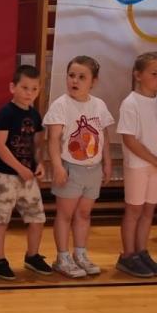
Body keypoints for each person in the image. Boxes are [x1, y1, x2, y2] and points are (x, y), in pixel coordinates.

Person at [45, 55, 115, 279]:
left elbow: (104, 135)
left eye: (81, 77)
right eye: (71, 75)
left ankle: (80, 254)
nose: (74, 80)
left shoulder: (99, 105)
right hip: (70, 168)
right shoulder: (60, 105)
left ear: (93, 81)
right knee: (65, 215)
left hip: (92, 169)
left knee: (84, 214)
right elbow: (53, 139)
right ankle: (62, 257)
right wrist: (57, 166)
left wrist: (107, 162)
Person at [0, 65, 52, 282]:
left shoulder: (35, 114)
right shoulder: (6, 113)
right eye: (24, 87)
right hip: (4, 176)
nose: (29, 93)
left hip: (27, 177)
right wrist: (20, 168)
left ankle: (32, 256)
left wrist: (39, 163)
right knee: (1, 219)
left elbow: (37, 144)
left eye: (34, 89)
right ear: (12, 87)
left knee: (37, 218)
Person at [116, 52, 157, 279]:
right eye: (154, 74)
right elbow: (130, 140)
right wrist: (156, 160)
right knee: (134, 211)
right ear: (138, 75)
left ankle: (141, 252)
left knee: (149, 210)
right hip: (138, 166)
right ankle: (127, 255)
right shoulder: (130, 103)